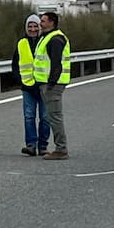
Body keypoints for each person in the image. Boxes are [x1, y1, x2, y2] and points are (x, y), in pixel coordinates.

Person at [13, 15, 50, 156]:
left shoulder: (45, 41)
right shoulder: (21, 43)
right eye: (30, 26)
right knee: (29, 116)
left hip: (43, 85)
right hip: (27, 86)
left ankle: (43, 146)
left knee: (45, 117)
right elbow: (15, 64)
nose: (33, 29)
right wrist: (20, 80)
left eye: (35, 26)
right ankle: (31, 145)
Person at [36, 12, 71, 160]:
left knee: (55, 117)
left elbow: (56, 64)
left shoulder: (55, 39)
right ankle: (60, 147)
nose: (40, 24)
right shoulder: (47, 37)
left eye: (43, 21)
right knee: (52, 116)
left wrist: (51, 83)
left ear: (52, 22)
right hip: (47, 83)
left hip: (53, 84)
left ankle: (61, 149)